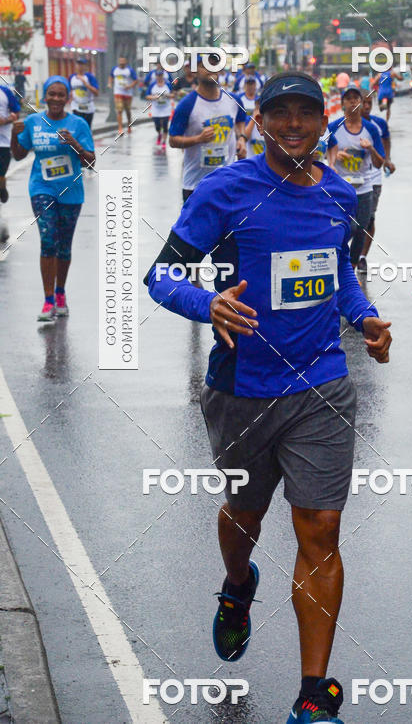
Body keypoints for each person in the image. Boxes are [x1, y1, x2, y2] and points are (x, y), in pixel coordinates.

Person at [144, 70, 392, 724]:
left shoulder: (338, 191)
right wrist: (207, 303)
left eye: (304, 115)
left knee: (321, 528)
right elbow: (161, 273)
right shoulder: (225, 190)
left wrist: (364, 316)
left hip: (322, 385)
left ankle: (313, 696)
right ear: (258, 122)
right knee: (244, 517)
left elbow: (338, 274)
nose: (292, 126)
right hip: (242, 390)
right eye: (277, 114)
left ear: (323, 120)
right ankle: (236, 586)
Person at [10, 76, 95, 322]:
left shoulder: (78, 124)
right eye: (52, 94)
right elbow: (18, 155)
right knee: (48, 241)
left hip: (71, 192)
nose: (56, 99)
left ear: (67, 98)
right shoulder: (34, 122)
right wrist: (16, 136)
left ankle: (60, 294)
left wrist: (76, 145)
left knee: (64, 246)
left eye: (61, 95)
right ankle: (48, 300)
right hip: (41, 189)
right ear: (45, 97)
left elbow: (90, 161)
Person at [169, 54, 247, 202]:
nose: (212, 69)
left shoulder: (234, 101)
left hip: (227, 183)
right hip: (196, 185)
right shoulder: (187, 105)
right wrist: (198, 139)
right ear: (194, 71)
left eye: (215, 65)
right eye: (205, 65)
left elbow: (240, 122)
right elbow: (173, 140)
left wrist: (241, 139)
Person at [327, 85, 384, 269]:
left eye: (355, 98)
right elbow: (318, 153)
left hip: (364, 187)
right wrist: (335, 157)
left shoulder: (370, 129)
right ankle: (337, 260)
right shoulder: (333, 128)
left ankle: (350, 269)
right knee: (345, 228)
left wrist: (370, 149)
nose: (352, 101)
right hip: (341, 188)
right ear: (342, 103)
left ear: (360, 102)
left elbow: (379, 162)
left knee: (361, 229)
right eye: (348, 98)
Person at [356, 94, 395, 274]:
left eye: (369, 103)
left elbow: (386, 142)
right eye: (362, 103)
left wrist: (387, 160)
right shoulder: (344, 126)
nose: (366, 106)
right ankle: (350, 255)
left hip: (373, 178)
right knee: (351, 221)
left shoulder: (379, 124)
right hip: (351, 179)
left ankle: (362, 257)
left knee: (369, 218)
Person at [0, 83, 20, 203]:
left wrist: (6, 120)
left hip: (3, 142)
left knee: (1, 173)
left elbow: (16, 113)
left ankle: (2, 185)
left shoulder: (5, 92)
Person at [108, 56, 137, 135]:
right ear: (118, 61)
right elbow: (111, 76)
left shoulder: (129, 70)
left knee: (128, 111)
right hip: (118, 92)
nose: (122, 62)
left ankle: (129, 126)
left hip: (128, 93)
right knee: (119, 110)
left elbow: (135, 80)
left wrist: (130, 86)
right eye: (120, 60)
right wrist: (110, 83)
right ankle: (120, 128)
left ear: (126, 61)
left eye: (123, 61)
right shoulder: (115, 69)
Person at [69, 57, 99, 129]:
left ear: (86, 66)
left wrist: (86, 84)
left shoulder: (89, 77)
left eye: (82, 64)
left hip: (88, 107)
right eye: (78, 64)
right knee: (77, 127)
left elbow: (96, 93)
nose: (80, 66)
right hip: (76, 106)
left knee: (87, 128)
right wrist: (70, 97)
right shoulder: (72, 77)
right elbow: (69, 90)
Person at [146, 68, 172, 148]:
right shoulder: (152, 85)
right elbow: (147, 96)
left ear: (163, 76)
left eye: (161, 75)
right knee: (157, 126)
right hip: (156, 109)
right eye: (158, 75)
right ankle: (159, 134)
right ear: (156, 76)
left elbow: (174, 94)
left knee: (165, 125)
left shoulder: (167, 84)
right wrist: (154, 97)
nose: (159, 77)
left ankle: (164, 141)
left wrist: (166, 95)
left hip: (166, 108)